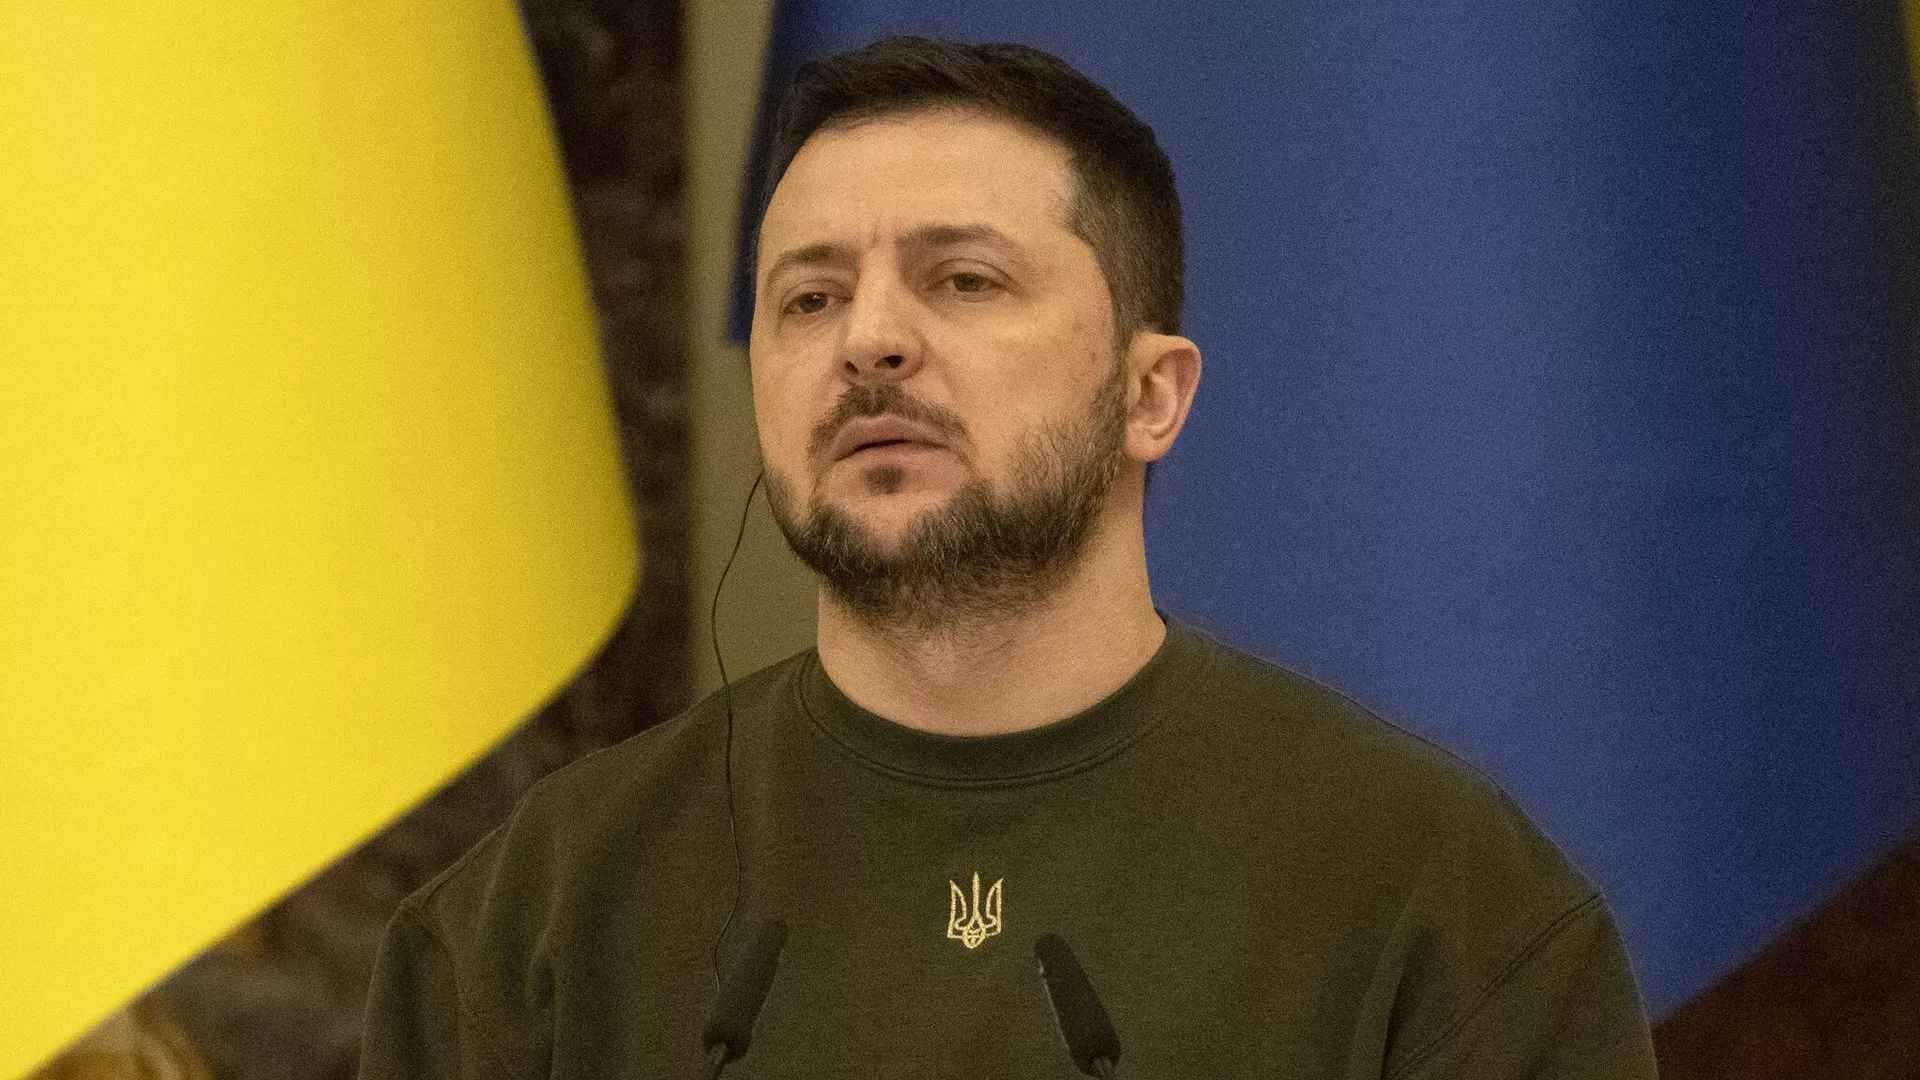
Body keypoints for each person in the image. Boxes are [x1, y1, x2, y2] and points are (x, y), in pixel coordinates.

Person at [359, 36, 1658, 1079]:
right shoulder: (539, 916)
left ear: (1150, 395)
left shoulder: (1438, 899)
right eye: (809, 298)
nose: (870, 340)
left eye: (964, 281)